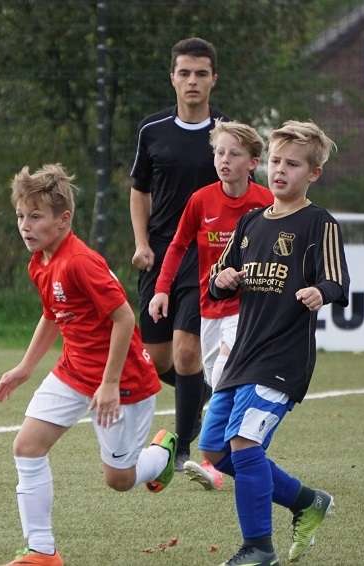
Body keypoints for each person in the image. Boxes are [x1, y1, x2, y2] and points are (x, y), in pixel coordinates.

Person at [0, 164, 178, 566]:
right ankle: (42, 551)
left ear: (63, 219)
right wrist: (26, 367)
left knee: (119, 480)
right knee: (27, 446)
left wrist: (109, 384)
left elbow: (124, 319)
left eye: (36, 216)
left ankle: (162, 455)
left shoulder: (80, 261)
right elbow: (52, 315)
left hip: (124, 381)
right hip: (74, 372)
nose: (25, 226)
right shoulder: (40, 262)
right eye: (21, 216)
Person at [200, 121, 350, 566]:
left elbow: (338, 281)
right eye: (276, 161)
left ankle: (258, 548)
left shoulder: (319, 223)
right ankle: (306, 501)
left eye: (293, 164)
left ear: (314, 173)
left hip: (283, 357)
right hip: (241, 356)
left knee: (245, 443)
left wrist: (320, 291)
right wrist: (223, 279)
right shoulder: (250, 222)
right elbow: (217, 280)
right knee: (215, 450)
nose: (280, 170)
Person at [147, 119, 273, 491]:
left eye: (234, 154)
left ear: (252, 162)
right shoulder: (201, 200)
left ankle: (211, 460)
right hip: (209, 305)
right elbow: (177, 246)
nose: (224, 160)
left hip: (249, 309)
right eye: (219, 152)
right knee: (214, 379)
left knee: (224, 377)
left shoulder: (266, 202)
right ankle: (240, 458)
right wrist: (162, 290)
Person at [130, 37, 228, 471]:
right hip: (160, 255)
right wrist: (141, 243)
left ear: (213, 79)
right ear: (172, 77)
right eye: (184, 73)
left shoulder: (226, 134)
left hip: (206, 257)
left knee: (188, 353)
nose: (192, 81)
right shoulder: (151, 130)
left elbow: (240, 196)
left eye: (201, 73)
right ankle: (201, 394)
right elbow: (140, 191)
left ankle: (184, 446)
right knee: (158, 360)